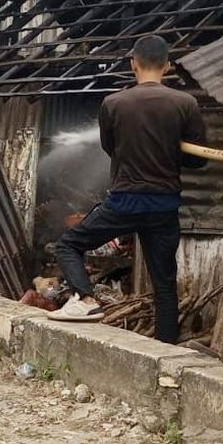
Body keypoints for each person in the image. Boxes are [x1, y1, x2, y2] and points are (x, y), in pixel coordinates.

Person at [51, 35, 206, 344]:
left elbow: (111, 148)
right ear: (167, 66)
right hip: (163, 205)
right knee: (164, 284)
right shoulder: (186, 104)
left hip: (125, 202)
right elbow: (196, 160)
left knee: (68, 245)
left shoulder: (113, 104)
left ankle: (85, 299)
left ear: (133, 63)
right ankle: (167, 353)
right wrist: (169, 152)